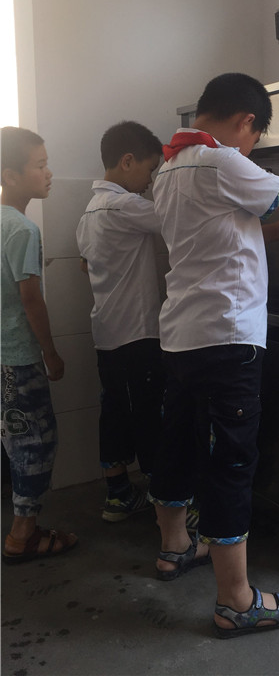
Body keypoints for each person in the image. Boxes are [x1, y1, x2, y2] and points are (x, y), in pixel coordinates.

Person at [148, 72, 279, 637]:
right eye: (255, 137)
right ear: (246, 121)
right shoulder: (220, 161)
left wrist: (270, 233)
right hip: (226, 337)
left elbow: (212, 233)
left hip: (182, 336)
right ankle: (236, 601)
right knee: (230, 463)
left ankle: (175, 547)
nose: (251, 148)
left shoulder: (170, 167)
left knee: (177, 443)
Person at [76, 121, 166, 522]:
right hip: (136, 334)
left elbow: (85, 265)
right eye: (150, 170)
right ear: (127, 161)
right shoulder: (125, 206)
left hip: (107, 334)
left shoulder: (89, 212)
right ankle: (167, 503)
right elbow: (179, 219)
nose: (150, 182)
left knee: (114, 411)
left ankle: (118, 494)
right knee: (149, 415)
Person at [1, 126, 78, 563]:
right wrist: (50, 352)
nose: (49, 173)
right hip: (18, 358)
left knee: (16, 442)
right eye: (41, 165)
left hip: (1, 358)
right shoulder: (22, 229)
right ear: (10, 176)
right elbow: (31, 300)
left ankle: (23, 530)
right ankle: (22, 537)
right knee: (35, 444)